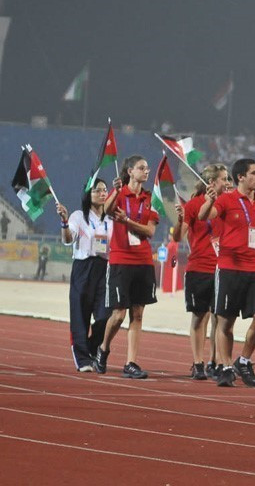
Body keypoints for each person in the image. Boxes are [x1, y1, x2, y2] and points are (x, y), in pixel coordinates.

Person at [199, 158, 255, 387]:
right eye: (254, 173)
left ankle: (244, 360)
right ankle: (225, 366)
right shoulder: (226, 199)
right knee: (226, 322)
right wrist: (209, 201)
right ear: (240, 177)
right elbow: (204, 216)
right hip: (230, 268)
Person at [94, 156, 160, 379]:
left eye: (147, 168)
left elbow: (150, 231)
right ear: (130, 171)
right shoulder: (120, 194)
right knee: (119, 314)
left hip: (143, 260)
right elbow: (106, 210)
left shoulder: (150, 198)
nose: (146, 171)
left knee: (138, 314)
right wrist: (115, 191)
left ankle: (130, 363)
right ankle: (103, 348)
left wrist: (128, 222)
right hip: (121, 259)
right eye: (141, 168)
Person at [174, 164, 230, 380]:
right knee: (200, 317)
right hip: (199, 268)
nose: (228, 183)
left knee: (220, 318)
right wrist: (180, 220)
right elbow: (178, 237)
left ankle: (215, 362)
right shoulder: (193, 205)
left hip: (223, 268)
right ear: (212, 182)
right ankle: (198, 363)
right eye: (224, 179)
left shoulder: (229, 203)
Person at [57, 179, 111, 372]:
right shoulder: (79, 216)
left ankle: (90, 347)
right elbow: (67, 239)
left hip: (104, 269)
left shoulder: (111, 219)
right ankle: (82, 358)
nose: (102, 193)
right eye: (97, 190)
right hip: (83, 268)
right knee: (80, 315)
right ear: (88, 194)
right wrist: (64, 222)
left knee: (106, 316)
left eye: (105, 190)